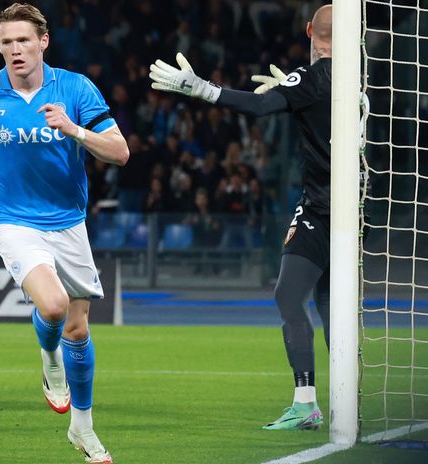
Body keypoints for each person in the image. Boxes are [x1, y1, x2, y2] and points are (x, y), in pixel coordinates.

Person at [0, 4, 129, 462]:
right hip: (11, 219)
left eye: (23, 40)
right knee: (55, 305)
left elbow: (119, 152)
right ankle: (49, 357)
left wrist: (74, 129)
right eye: (6, 42)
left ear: (43, 41)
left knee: (78, 328)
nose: (15, 49)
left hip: (69, 221)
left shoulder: (75, 88)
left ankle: (82, 428)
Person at [149, 5, 333, 430]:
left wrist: (202, 89)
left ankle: (306, 402)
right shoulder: (357, 80)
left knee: (290, 297)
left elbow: (259, 107)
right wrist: (292, 95)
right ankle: (349, 394)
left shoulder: (311, 77)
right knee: (329, 302)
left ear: (308, 30)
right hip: (354, 208)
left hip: (321, 208)